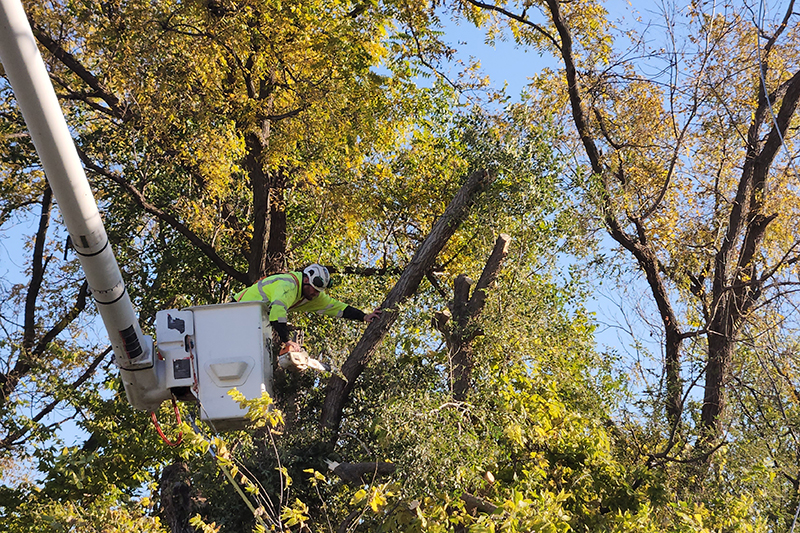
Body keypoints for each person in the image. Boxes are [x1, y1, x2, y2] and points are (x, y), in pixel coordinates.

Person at [232, 264, 382, 352]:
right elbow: (278, 311)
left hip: (253, 319)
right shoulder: (288, 285)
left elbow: (337, 307)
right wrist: (287, 341)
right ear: (305, 280)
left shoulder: (311, 294)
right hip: (235, 310)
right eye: (314, 289)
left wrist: (363, 316)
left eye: (319, 291)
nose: (316, 294)